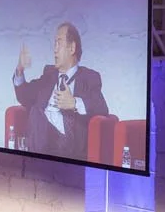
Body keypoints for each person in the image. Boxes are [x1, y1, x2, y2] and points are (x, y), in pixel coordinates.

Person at [13, 22, 109, 161]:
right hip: (42, 140)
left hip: (69, 147)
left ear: (72, 48)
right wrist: (20, 70)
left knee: (36, 113)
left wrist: (74, 103)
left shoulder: (89, 78)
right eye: (54, 44)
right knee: (36, 111)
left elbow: (101, 106)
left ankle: (31, 159)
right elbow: (24, 96)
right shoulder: (49, 75)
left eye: (59, 43)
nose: (55, 50)